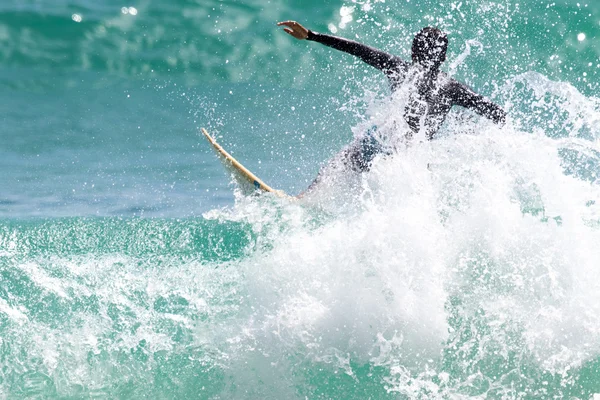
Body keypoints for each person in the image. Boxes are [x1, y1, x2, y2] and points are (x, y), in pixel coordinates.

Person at [277, 21, 506, 187]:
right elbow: (496, 114)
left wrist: (312, 35)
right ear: (443, 57)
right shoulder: (453, 88)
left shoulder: (400, 68)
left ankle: (304, 199)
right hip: (412, 157)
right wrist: (472, 131)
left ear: (413, 52)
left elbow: (358, 49)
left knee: (342, 162)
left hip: (381, 142)